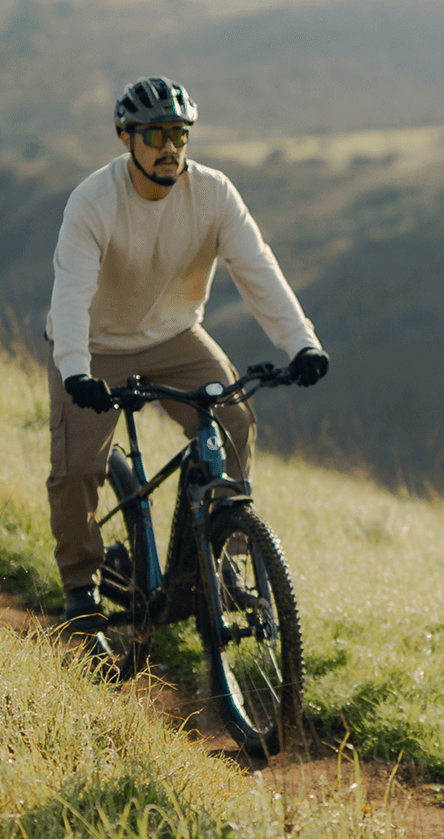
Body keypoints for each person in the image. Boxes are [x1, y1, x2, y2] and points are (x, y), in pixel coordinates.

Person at [46, 75, 328, 628]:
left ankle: (221, 558)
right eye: (154, 135)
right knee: (78, 468)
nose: (169, 147)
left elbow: (258, 271)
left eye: (178, 133)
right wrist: (76, 370)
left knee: (235, 422)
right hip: (95, 345)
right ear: (127, 139)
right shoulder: (93, 202)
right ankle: (80, 586)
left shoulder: (214, 194)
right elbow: (71, 293)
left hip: (175, 335)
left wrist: (303, 344)